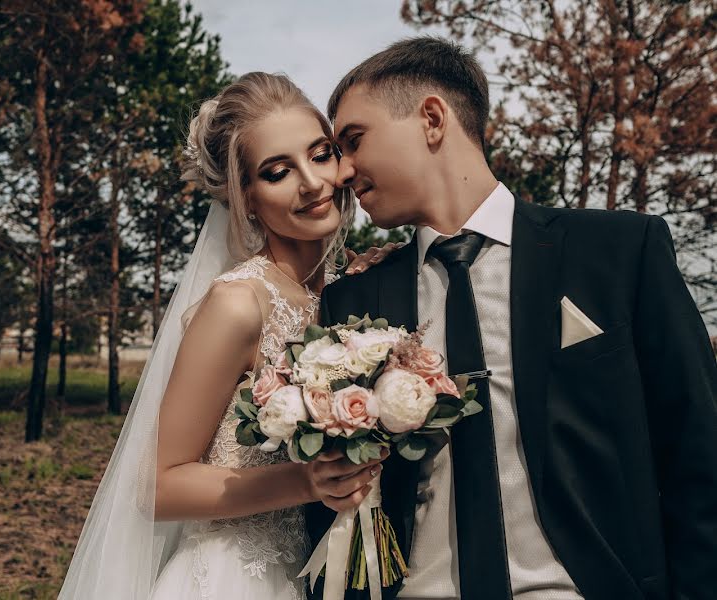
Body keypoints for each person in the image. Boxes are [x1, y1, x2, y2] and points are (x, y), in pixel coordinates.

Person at [306, 37, 717, 600]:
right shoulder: (352, 303)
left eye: (354, 140)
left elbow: (699, 453)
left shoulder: (620, 253)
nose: (342, 171)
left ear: (431, 119)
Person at [58, 72, 396, 600]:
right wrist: (307, 481)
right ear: (246, 198)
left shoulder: (354, 291)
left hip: (329, 570)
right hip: (237, 577)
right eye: (278, 171)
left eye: (322, 153)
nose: (311, 182)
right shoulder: (239, 303)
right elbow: (156, 486)